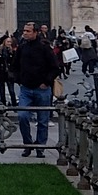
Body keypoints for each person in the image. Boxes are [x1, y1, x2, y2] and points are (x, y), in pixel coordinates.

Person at [12, 20, 60, 158]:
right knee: (22, 116)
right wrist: (19, 80)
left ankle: (40, 147)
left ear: (36, 32)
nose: (24, 33)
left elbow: (55, 67)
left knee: (43, 120)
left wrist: (46, 82)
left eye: (28, 31)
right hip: (26, 88)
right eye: (24, 31)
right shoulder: (22, 47)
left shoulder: (45, 48)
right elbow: (14, 66)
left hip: (42, 89)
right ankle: (28, 144)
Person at [0, 35, 17, 106]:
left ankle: (14, 104)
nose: (9, 43)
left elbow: (15, 62)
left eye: (10, 42)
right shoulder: (0, 51)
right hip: (1, 73)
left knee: (12, 91)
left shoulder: (13, 51)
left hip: (9, 74)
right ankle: (3, 103)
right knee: (2, 91)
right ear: (4, 42)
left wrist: (11, 53)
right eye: (8, 42)